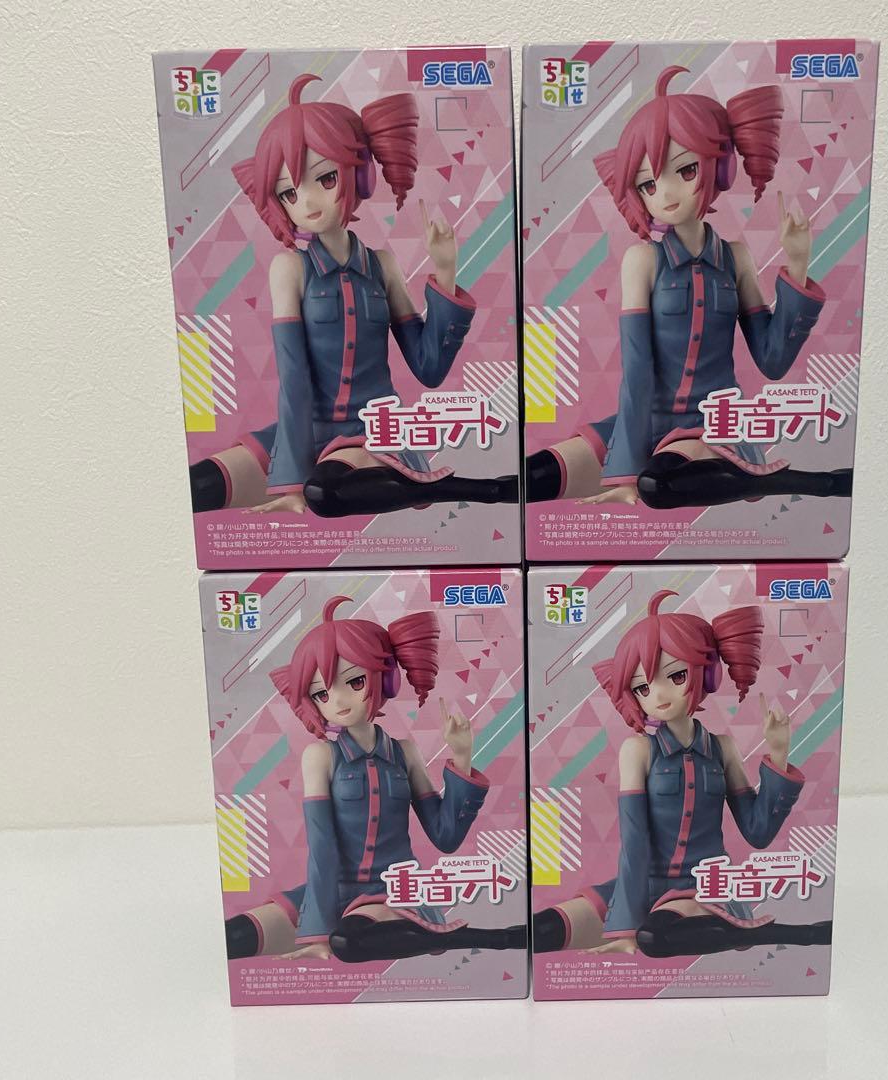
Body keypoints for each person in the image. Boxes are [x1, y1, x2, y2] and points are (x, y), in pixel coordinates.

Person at [190, 73, 516, 518]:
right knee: (198, 486)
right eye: (289, 191)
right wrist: (290, 476)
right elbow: (293, 377)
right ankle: (438, 486)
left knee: (324, 494)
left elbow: (429, 367)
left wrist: (445, 270)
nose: (308, 202)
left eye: (325, 179)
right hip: (301, 428)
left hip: (372, 432)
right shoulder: (290, 268)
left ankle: (470, 489)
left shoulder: (381, 266)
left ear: (359, 175)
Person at [525, 66, 850, 509]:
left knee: (656, 486)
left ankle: (809, 481)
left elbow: (772, 359)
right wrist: (625, 467)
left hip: (711, 428)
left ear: (720, 167)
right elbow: (636, 370)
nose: (666, 193)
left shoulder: (735, 258)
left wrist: (797, 264)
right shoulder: (643, 260)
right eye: (648, 183)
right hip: (640, 422)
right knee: (531, 478)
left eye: (686, 169)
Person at [224, 596, 525, 962]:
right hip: (328, 890)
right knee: (234, 936)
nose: (338, 700)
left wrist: (462, 757)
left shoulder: (404, 753)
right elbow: (321, 846)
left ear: (387, 678)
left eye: (354, 681)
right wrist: (318, 928)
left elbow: (445, 836)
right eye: (322, 692)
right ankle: (443, 935)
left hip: (392, 892)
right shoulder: (321, 756)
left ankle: (491, 938)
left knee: (347, 943)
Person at [532, 590, 830, 957]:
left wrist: (779, 755)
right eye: (643, 686)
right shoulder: (638, 750)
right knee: (541, 931)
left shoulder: (722, 748)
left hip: (702, 890)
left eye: (675, 676)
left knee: (654, 939)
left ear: (708, 674)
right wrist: (625, 923)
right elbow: (634, 841)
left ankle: (792, 932)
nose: (658, 695)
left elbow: (758, 830)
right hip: (640, 885)